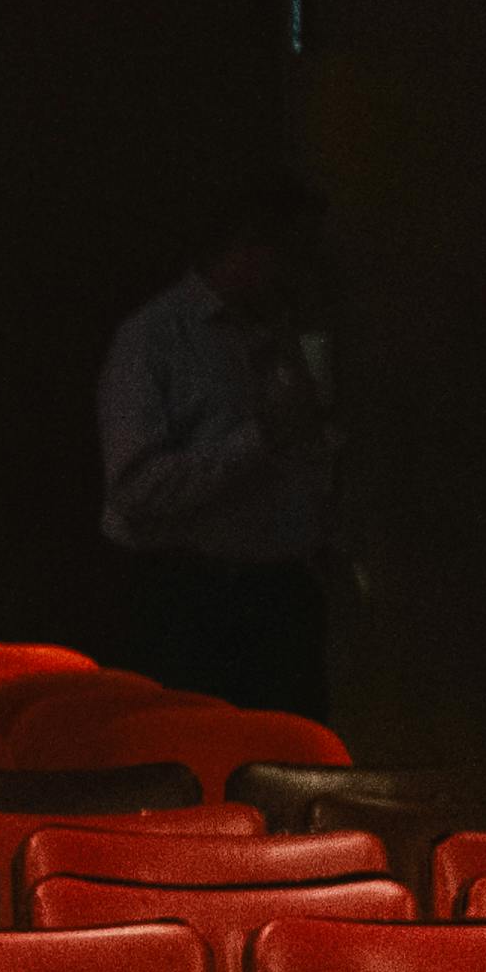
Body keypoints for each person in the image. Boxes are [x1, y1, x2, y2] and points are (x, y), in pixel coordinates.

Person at [97, 178, 345, 721]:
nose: (306, 274)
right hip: (194, 604)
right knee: (202, 764)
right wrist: (262, 439)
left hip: (283, 596)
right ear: (250, 248)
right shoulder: (153, 340)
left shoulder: (286, 332)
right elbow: (135, 490)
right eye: (295, 256)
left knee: (295, 766)